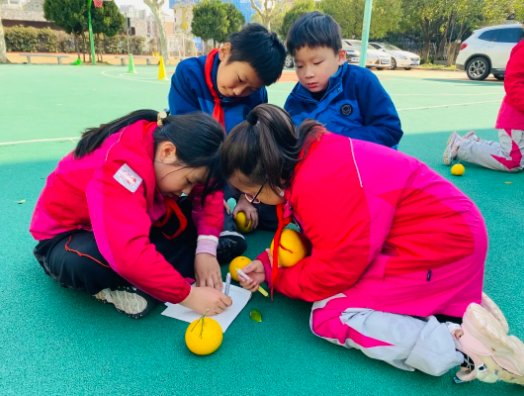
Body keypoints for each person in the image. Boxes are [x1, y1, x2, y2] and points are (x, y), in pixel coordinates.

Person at [221, 104, 524, 385]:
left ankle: (460, 346)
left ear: (271, 174)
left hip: (442, 250)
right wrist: (268, 263)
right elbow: (316, 236)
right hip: (446, 238)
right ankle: (448, 303)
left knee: (328, 315)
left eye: (253, 193)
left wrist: (281, 277)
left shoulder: (319, 184)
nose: (253, 201)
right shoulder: (310, 158)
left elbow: (331, 275)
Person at [30, 110, 232, 319]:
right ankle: (142, 279)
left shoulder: (169, 147)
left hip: (128, 218)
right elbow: (126, 250)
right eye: (188, 181)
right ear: (167, 152)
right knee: (84, 264)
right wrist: (188, 296)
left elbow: (208, 192)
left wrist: (206, 250)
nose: (187, 190)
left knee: (193, 219)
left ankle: (163, 271)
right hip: (68, 238)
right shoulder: (120, 167)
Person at [168, 23, 286, 247]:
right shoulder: (188, 75)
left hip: (237, 173)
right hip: (201, 168)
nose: (241, 92)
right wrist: (216, 192)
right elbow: (187, 140)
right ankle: (216, 220)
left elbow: (253, 149)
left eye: (251, 88)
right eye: (240, 79)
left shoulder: (257, 94)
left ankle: (229, 211)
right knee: (214, 219)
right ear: (225, 52)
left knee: (272, 212)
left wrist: (246, 196)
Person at [284, 11, 403, 149]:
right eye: (299, 66)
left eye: (317, 63)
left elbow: (390, 130)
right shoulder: (295, 100)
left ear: (340, 57)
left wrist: (337, 142)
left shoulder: (361, 81)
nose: (307, 73)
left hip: (365, 165)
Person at [443, 39, 524, 171]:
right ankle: (461, 147)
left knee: (517, 156)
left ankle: (475, 142)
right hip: (516, 120)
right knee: (513, 162)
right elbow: (513, 83)